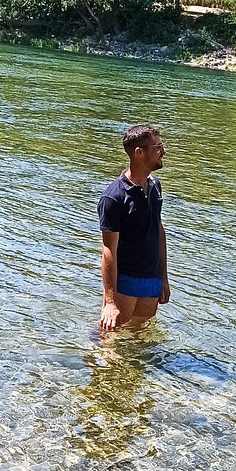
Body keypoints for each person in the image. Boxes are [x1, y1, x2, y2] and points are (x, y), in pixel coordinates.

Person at [97, 124, 170, 333]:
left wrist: (163, 278)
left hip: (151, 278)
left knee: (139, 337)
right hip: (125, 280)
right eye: (158, 147)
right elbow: (108, 250)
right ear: (139, 153)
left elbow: (158, 230)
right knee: (110, 337)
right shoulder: (114, 197)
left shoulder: (155, 186)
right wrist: (110, 300)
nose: (163, 152)